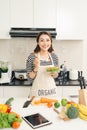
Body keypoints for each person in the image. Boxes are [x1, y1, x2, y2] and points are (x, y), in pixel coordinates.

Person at [26, 31, 59, 98]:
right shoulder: (32, 57)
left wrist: (55, 73)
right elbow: (29, 78)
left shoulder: (54, 57)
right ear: (38, 42)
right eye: (42, 40)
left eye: (47, 40)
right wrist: (36, 68)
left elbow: (56, 75)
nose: (45, 43)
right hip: (37, 94)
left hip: (51, 93)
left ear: (51, 42)